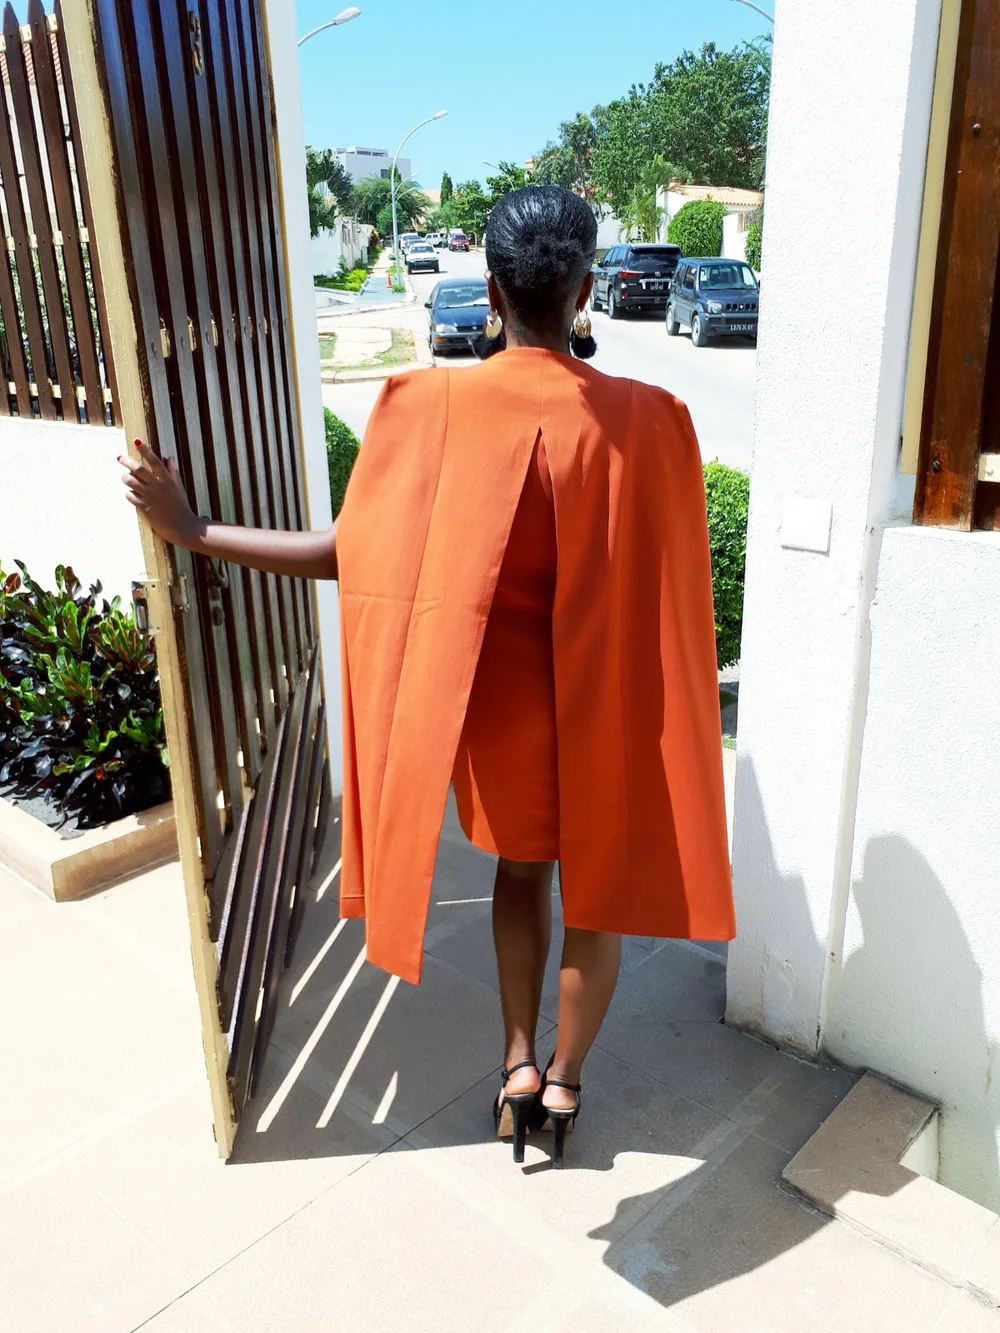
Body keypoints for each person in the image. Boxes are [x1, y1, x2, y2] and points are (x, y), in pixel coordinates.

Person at [121, 185, 735, 1168]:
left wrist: (193, 532)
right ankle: (567, 1082)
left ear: (491, 292)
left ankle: (518, 1063)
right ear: (584, 292)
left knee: (520, 874)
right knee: (599, 898)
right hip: (610, 709)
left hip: (501, 719)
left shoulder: (425, 410)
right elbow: (675, 598)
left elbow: (345, 555)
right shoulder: (652, 422)